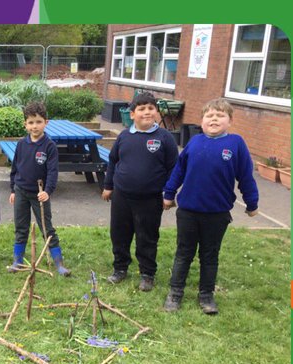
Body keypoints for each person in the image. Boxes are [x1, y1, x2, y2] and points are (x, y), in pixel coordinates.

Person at [162, 98, 259, 315]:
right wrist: (169, 194)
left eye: (220, 115)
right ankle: (175, 293)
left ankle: (206, 295)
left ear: (230, 121)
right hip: (188, 211)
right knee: (183, 253)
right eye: (209, 115)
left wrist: (252, 203)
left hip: (217, 214)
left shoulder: (236, 144)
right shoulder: (194, 143)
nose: (214, 119)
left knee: (209, 254)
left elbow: (246, 176)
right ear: (202, 121)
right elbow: (179, 171)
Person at [102, 92, 178, 291]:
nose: (147, 112)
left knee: (147, 236)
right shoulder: (124, 136)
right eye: (141, 109)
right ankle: (120, 268)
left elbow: (174, 169)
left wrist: (168, 194)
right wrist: (108, 186)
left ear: (157, 112)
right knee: (119, 234)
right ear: (132, 114)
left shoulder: (165, 138)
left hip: (150, 199)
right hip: (122, 196)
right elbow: (113, 161)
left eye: (151, 108)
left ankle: (147, 273)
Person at [7, 102, 70, 276]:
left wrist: (47, 191)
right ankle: (18, 260)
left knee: (46, 227)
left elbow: (52, 171)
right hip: (20, 191)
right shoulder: (21, 145)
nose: (35, 126)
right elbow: (15, 169)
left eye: (38, 122)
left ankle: (59, 263)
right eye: (31, 122)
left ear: (46, 122)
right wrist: (13, 189)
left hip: (39, 195)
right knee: (21, 227)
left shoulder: (49, 146)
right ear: (25, 124)